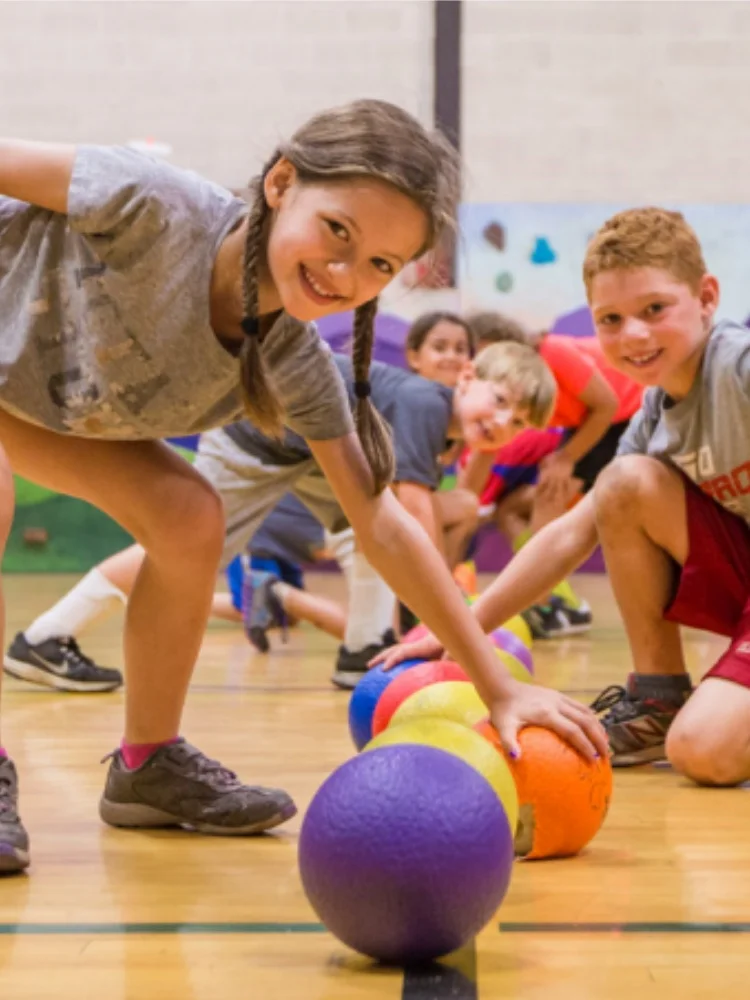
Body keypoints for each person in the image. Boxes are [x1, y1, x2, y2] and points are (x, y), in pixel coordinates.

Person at [0, 101, 607, 873]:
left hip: (26, 396)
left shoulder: (295, 362)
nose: (346, 273)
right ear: (283, 182)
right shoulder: (152, 200)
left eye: (381, 265)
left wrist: (496, 686)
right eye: (339, 232)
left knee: (191, 516)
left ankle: (147, 765)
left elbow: (382, 524)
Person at [378, 206, 750, 783]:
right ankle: (658, 697)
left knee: (703, 753)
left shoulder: (738, 369)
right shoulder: (654, 414)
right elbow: (571, 533)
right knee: (621, 486)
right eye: (611, 318)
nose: (634, 334)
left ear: (706, 297)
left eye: (654, 309)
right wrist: (459, 631)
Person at [16, 341, 558, 689]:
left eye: (518, 422)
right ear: (465, 376)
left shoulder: (443, 429)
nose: (503, 420)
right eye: (501, 399)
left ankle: (364, 649)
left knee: (362, 529)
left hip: (314, 452)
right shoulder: (426, 407)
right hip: (259, 437)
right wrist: (453, 628)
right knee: (189, 550)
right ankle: (46, 637)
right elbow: (416, 526)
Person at [459, 311, 642, 637]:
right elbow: (471, 492)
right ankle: (549, 594)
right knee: (510, 509)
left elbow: (607, 405)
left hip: (623, 414)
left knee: (550, 490)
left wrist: (567, 458)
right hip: (591, 423)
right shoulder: (502, 402)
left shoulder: (553, 351)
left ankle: (542, 600)